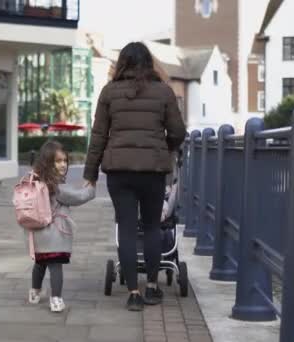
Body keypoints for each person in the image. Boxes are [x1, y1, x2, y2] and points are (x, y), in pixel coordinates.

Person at [83, 42, 187, 311]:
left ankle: (132, 293)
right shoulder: (164, 92)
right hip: (152, 171)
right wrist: (167, 147)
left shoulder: (109, 92)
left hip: (119, 172)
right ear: (149, 64)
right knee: (152, 227)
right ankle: (152, 288)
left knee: (127, 229)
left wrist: (90, 174)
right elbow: (178, 131)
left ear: (123, 63)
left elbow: (98, 137)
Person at [27, 141, 95, 312]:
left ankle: (34, 292)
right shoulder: (57, 187)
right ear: (48, 162)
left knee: (40, 263)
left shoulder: (37, 180)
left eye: (65, 161)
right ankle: (56, 299)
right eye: (58, 161)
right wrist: (91, 189)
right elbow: (78, 197)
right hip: (54, 233)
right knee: (55, 265)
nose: (63, 164)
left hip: (38, 233)